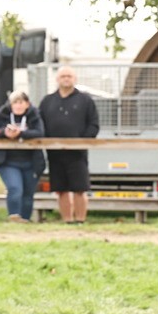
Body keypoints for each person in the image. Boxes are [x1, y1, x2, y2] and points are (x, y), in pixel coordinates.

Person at [38, 66, 99, 224]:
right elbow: (39, 124)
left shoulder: (85, 100)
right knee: (61, 189)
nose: (66, 79)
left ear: (75, 79)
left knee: (80, 188)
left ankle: (80, 220)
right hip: (55, 153)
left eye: (69, 76)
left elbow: (93, 124)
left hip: (77, 153)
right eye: (63, 76)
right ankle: (67, 220)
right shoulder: (47, 101)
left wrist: (82, 141)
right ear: (57, 79)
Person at [0, 91, 45, 222]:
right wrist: (4, 133)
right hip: (8, 161)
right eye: (15, 103)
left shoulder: (34, 115)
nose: (18, 105)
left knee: (28, 193)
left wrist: (21, 133)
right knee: (15, 188)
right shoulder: (3, 114)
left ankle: (25, 220)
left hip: (31, 161)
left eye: (21, 102)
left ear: (27, 104)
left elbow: (39, 132)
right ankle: (14, 216)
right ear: (11, 105)